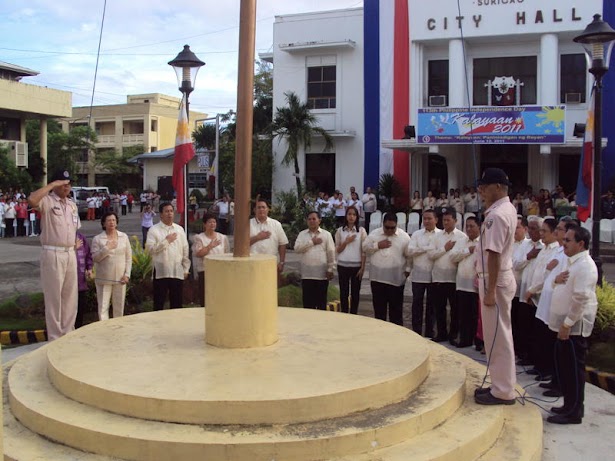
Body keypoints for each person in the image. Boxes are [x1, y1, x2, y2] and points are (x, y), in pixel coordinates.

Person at [474, 167, 518, 406]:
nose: (481, 190)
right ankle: (500, 384)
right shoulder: (505, 209)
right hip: (497, 278)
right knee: (497, 336)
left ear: (499, 187)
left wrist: (489, 290)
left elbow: (494, 254)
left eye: (485, 186)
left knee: (498, 337)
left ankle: (502, 390)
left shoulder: (497, 215)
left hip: (496, 281)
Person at [547, 226, 597, 424]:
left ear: (580, 244)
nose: (563, 243)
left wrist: (567, 324)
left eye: (568, 240)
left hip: (574, 328)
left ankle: (575, 411)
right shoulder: (569, 261)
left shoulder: (585, 265)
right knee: (565, 368)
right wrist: (556, 280)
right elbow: (556, 283)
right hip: (564, 326)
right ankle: (568, 405)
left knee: (574, 371)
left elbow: (580, 298)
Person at [28, 169, 80, 341]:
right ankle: (55, 337)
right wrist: (51, 186)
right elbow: (32, 200)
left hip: (70, 253)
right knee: (54, 297)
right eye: (62, 184)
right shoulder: (48, 201)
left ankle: (68, 333)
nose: (66, 187)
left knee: (70, 296)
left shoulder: (72, 205)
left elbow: (74, 228)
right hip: (53, 253)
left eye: (68, 184)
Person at [363, 212, 411, 325]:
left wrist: (408, 270)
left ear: (397, 225)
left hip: (396, 280)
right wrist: (378, 245)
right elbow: (364, 247)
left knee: (396, 313)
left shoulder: (404, 237)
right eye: (387, 227)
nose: (389, 230)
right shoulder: (375, 234)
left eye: (392, 228)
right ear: (382, 224)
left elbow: (409, 256)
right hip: (377, 279)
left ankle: (397, 337)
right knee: (379, 313)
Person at [428, 209, 466, 343]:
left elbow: (458, 256)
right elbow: (431, 254)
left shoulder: (462, 237)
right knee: (439, 308)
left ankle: (453, 334)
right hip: (438, 277)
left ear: (455, 221)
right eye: (444, 220)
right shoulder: (437, 236)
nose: (445, 223)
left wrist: (449, 251)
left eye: (448, 220)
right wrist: (445, 248)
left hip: (454, 278)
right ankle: (441, 333)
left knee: (455, 309)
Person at [145, 202, 190, 310]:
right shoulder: (154, 230)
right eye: (166, 211)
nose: (169, 214)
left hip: (177, 270)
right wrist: (166, 241)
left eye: (171, 211)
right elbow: (150, 250)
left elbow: (185, 249)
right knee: (159, 302)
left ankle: (176, 325)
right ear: (161, 214)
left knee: (177, 303)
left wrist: (186, 268)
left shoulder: (179, 229)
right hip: (161, 271)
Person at [512, 216, 543, 366]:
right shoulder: (526, 245)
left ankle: (533, 357)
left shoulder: (545, 247)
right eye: (529, 228)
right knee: (522, 325)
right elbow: (516, 264)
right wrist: (528, 256)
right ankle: (523, 354)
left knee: (534, 328)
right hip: (523, 292)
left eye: (534, 228)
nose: (531, 231)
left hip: (536, 294)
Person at [92, 212, 132, 320]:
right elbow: (95, 258)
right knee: (103, 307)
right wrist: (106, 248)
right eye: (109, 220)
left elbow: (128, 258)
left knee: (119, 307)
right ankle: (104, 330)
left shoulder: (123, 237)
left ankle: (118, 330)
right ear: (104, 223)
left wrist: (127, 275)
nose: (111, 223)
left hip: (120, 278)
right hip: (104, 278)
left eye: (113, 220)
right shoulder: (98, 239)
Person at [407, 209, 441, 336]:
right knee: (417, 304)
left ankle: (429, 332)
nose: (426, 221)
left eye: (429, 218)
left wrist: (420, 249)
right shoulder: (416, 234)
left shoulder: (441, 235)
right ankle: (416, 331)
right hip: (418, 275)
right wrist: (427, 248)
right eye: (424, 219)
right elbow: (410, 251)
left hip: (434, 276)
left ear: (436, 220)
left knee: (431, 306)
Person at [294, 211, 336, 310]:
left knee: (321, 304)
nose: (311, 221)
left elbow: (331, 252)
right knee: (308, 305)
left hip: (321, 276)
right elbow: (297, 249)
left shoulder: (326, 235)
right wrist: (312, 242)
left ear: (319, 221)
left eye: (314, 219)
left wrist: (331, 269)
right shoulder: (302, 234)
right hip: (307, 275)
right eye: (309, 219)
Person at [451, 216, 480, 347]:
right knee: (463, 314)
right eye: (467, 226)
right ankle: (464, 339)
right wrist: (468, 250)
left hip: (476, 285)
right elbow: (453, 256)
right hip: (462, 284)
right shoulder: (462, 241)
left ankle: (477, 341)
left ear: (479, 227)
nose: (469, 229)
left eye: (472, 226)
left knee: (475, 315)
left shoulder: (483, 242)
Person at [192, 213, 230, 307]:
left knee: (220, 298)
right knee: (206, 298)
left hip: (220, 271)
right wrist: (210, 246)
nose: (212, 224)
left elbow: (227, 254)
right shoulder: (199, 238)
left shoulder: (223, 237)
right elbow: (198, 253)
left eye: (214, 222)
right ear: (204, 224)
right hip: (205, 271)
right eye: (209, 222)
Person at [335, 206, 367, 314]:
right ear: (346, 216)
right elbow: (338, 249)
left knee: (355, 293)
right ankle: (344, 314)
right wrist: (346, 241)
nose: (351, 217)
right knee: (344, 292)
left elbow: (364, 250)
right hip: (343, 265)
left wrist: (362, 267)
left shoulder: (361, 231)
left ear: (357, 217)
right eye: (349, 214)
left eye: (354, 214)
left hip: (356, 266)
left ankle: (354, 314)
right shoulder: (340, 231)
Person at [249, 199, 289, 273]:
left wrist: (281, 262)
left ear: (268, 209)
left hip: (271, 264)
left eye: (263, 207)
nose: (261, 209)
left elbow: (282, 244)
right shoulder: (247, 224)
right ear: (254, 210)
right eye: (259, 207)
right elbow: (241, 244)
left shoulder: (276, 224)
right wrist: (257, 238)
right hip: (252, 265)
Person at [74, 231, 93, 328]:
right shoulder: (62, 237)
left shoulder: (81, 237)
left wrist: (89, 268)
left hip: (81, 282)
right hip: (68, 283)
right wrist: (73, 248)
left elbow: (88, 255)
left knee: (80, 309)